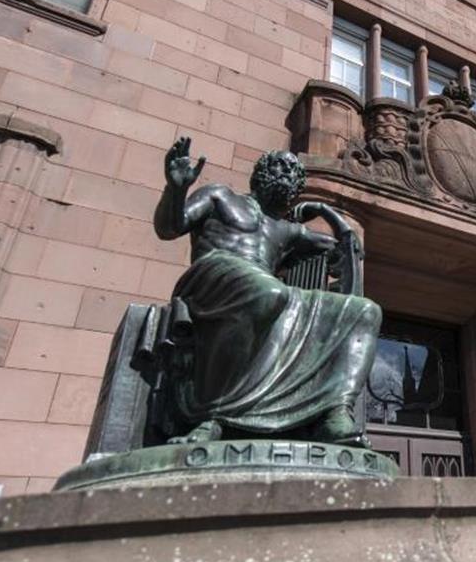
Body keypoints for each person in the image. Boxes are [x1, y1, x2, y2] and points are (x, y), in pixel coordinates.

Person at [152, 137, 381, 447]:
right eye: (281, 167)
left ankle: (335, 412)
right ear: (260, 173)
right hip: (210, 275)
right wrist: (176, 189)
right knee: (270, 293)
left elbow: (346, 246)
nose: (287, 175)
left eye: (294, 174)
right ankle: (214, 415)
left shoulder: (286, 229)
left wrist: (325, 210)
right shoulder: (220, 196)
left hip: (262, 289)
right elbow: (169, 227)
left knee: (365, 311)